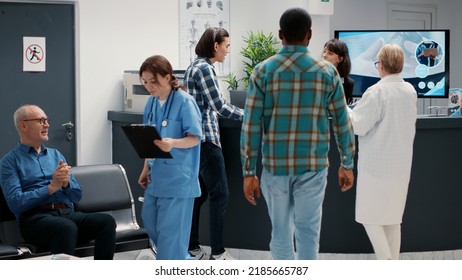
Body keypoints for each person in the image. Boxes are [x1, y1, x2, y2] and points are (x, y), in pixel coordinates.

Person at [240, 7, 355, 260]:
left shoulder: (263, 71)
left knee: (280, 233)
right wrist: (347, 163)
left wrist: (248, 172)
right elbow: (342, 122)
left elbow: (251, 125)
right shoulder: (327, 72)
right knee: (309, 232)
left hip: (274, 166)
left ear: (280, 34)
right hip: (313, 166)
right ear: (310, 35)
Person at [0, 105, 116, 259]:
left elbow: (77, 196)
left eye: (46, 120)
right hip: (35, 219)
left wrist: (67, 184)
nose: (46, 124)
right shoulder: (10, 162)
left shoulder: (56, 155)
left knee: (106, 222)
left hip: (67, 214)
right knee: (66, 228)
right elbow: (16, 202)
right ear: (23, 125)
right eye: (40, 121)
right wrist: (51, 187)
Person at [348, 44, 417, 260]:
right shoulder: (409, 91)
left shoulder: (377, 91)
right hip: (400, 166)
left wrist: (344, 107)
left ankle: (386, 261)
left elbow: (358, 125)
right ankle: (392, 263)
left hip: (376, 167)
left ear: (382, 65)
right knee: (392, 218)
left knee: (370, 216)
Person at [184, 27, 243, 260]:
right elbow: (220, 106)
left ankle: (192, 247)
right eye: (227, 46)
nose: (228, 51)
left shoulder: (192, 67)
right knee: (221, 195)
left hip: (196, 140)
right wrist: (249, 115)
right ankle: (218, 254)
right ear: (215, 46)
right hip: (207, 140)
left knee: (199, 196)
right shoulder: (206, 69)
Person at [137, 55, 202, 260]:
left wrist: (173, 143)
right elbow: (150, 140)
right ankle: (182, 261)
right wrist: (145, 168)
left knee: (171, 239)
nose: (149, 86)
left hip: (179, 180)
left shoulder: (185, 102)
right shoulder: (151, 104)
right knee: (151, 224)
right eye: (145, 82)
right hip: (157, 178)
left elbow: (194, 139)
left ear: (167, 77)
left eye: (152, 81)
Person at [323, 38, 355, 104]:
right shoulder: (317, 77)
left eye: (330, 53)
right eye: (324, 51)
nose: (324, 55)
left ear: (340, 59)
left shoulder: (348, 83)